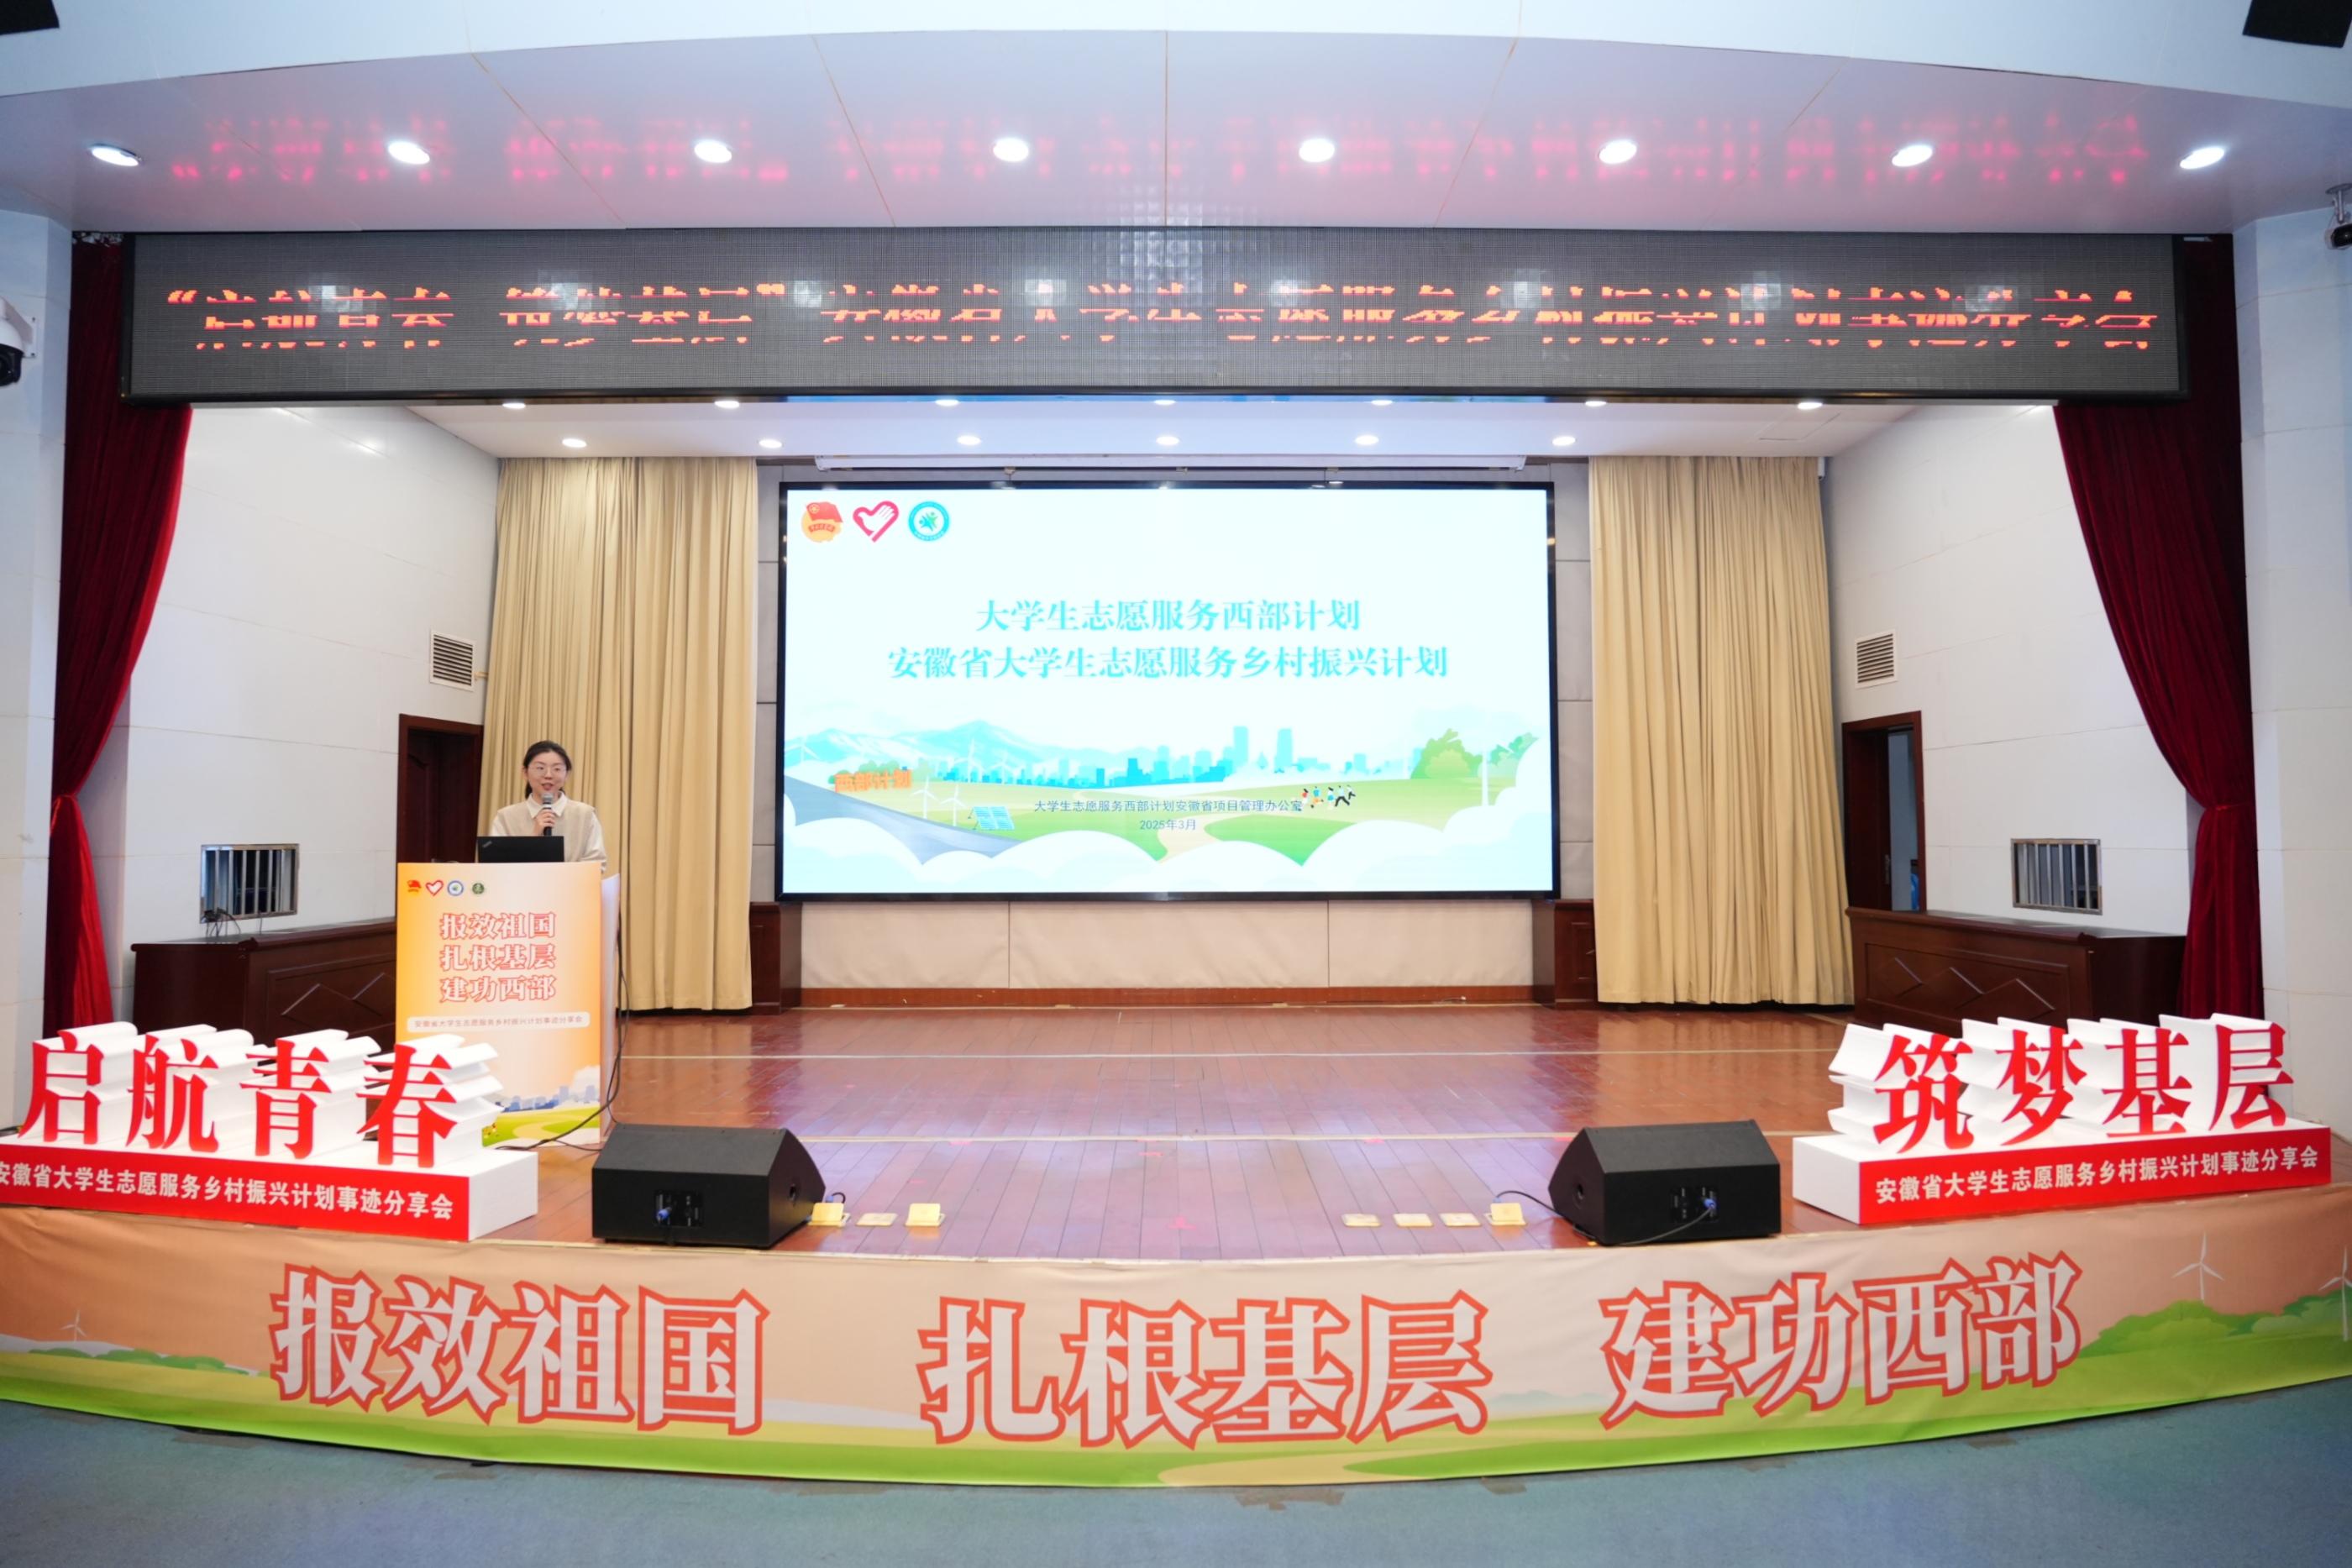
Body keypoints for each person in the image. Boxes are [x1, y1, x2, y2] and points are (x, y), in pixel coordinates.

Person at [488, 740, 606, 867]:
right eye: (540, 768)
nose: (548, 775)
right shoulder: (506, 817)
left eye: (557, 769)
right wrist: (533, 838)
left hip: (571, 881)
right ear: (525, 772)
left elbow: (596, 863)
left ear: (567, 774)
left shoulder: (585, 815)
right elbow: (495, 865)